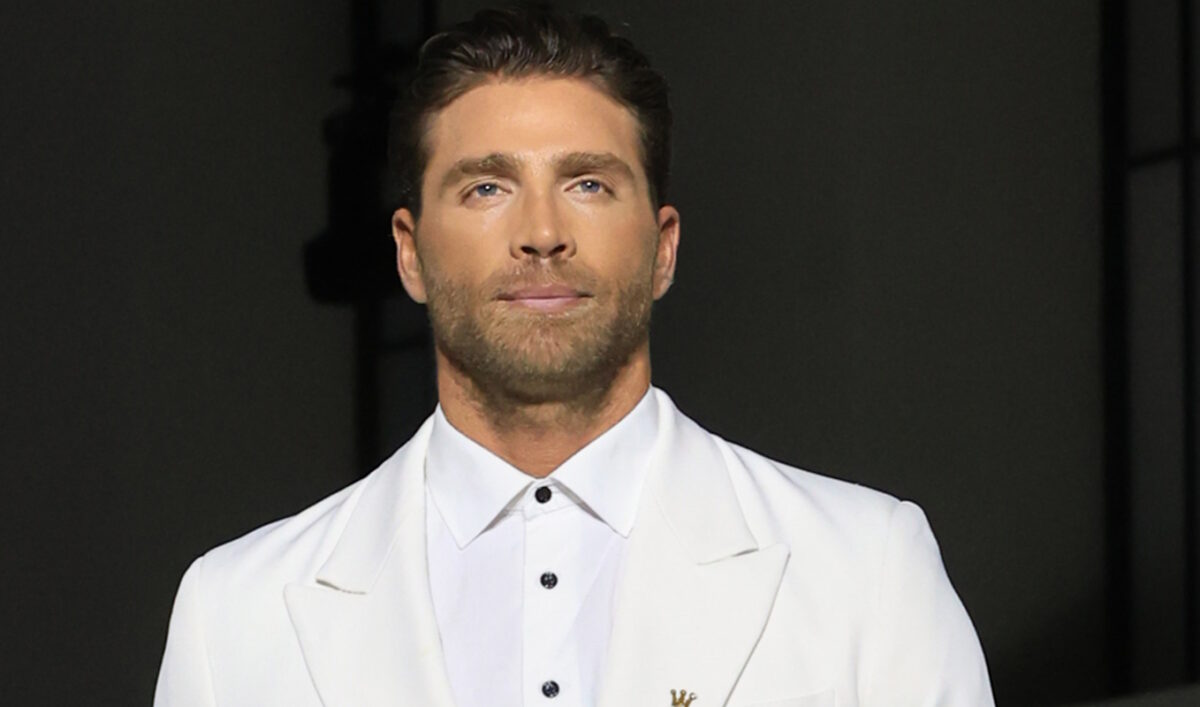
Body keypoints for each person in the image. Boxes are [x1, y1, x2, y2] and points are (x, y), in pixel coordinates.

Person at [154, 5, 994, 706]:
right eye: (487, 187)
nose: (542, 233)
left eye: (588, 182)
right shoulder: (236, 614)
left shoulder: (864, 571)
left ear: (663, 248)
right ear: (409, 253)